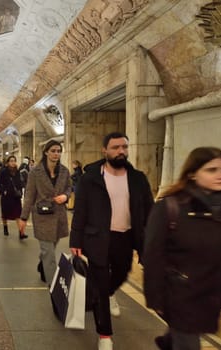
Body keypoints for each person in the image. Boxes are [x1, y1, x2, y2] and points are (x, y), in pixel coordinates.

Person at [69, 132, 154, 350]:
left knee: (121, 273)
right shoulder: (91, 179)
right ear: (104, 150)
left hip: (124, 238)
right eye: (115, 147)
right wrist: (75, 240)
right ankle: (104, 334)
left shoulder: (138, 179)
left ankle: (109, 292)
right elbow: (80, 211)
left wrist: (149, 239)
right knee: (99, 284)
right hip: (96, 238)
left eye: (124, 147)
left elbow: (149, 211)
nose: (121, 151)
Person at [143, 147, 221, 350]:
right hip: (180, 294)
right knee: (188, 343)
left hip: (212, 292)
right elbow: (153, 255)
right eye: (211, 170)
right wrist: (155, 298)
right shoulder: (171, 207)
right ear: (193, 173)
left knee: (181, 338)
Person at [19, 140, 71, 284]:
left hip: (59, 215)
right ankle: (53, 287)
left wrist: (65, 196)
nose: (56, 154)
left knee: (51, 247)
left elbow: (69, 188)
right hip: (42, 216)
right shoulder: (35, 172)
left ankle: (42, 265)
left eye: (59, 151)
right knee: (49, 252)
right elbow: (29, 195)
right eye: (53, 151)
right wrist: (23, 218)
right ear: (46, 152)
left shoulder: (65, 171)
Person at [0, 155, 27, 239]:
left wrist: (20, 191)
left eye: (14, 161)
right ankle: (5, 227)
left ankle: (21, 232)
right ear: (7, 163)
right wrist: (3, 192)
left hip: (16, 197)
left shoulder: (17, 171)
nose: (13, 162)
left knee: (18, 215)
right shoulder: (3, 172)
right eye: (11, 161)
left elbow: (19, 182)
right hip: (6, 198)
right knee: (5, 214)